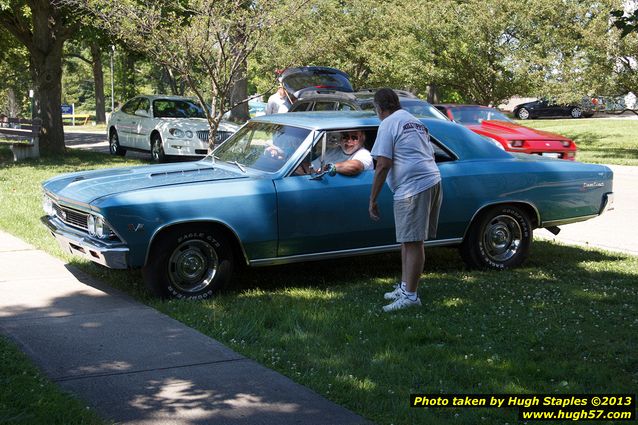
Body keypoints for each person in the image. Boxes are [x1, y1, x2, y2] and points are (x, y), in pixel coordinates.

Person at [369, 88, 442, 312]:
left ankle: (411, 297)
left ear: (380, 108)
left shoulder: (388, 123)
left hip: (413, 187)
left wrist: (372, 199)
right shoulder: (413, 120)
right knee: (407, 240)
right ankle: (404, 287)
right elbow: (430, 153)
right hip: (431, 180)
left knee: (413, 242)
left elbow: (382, 164)